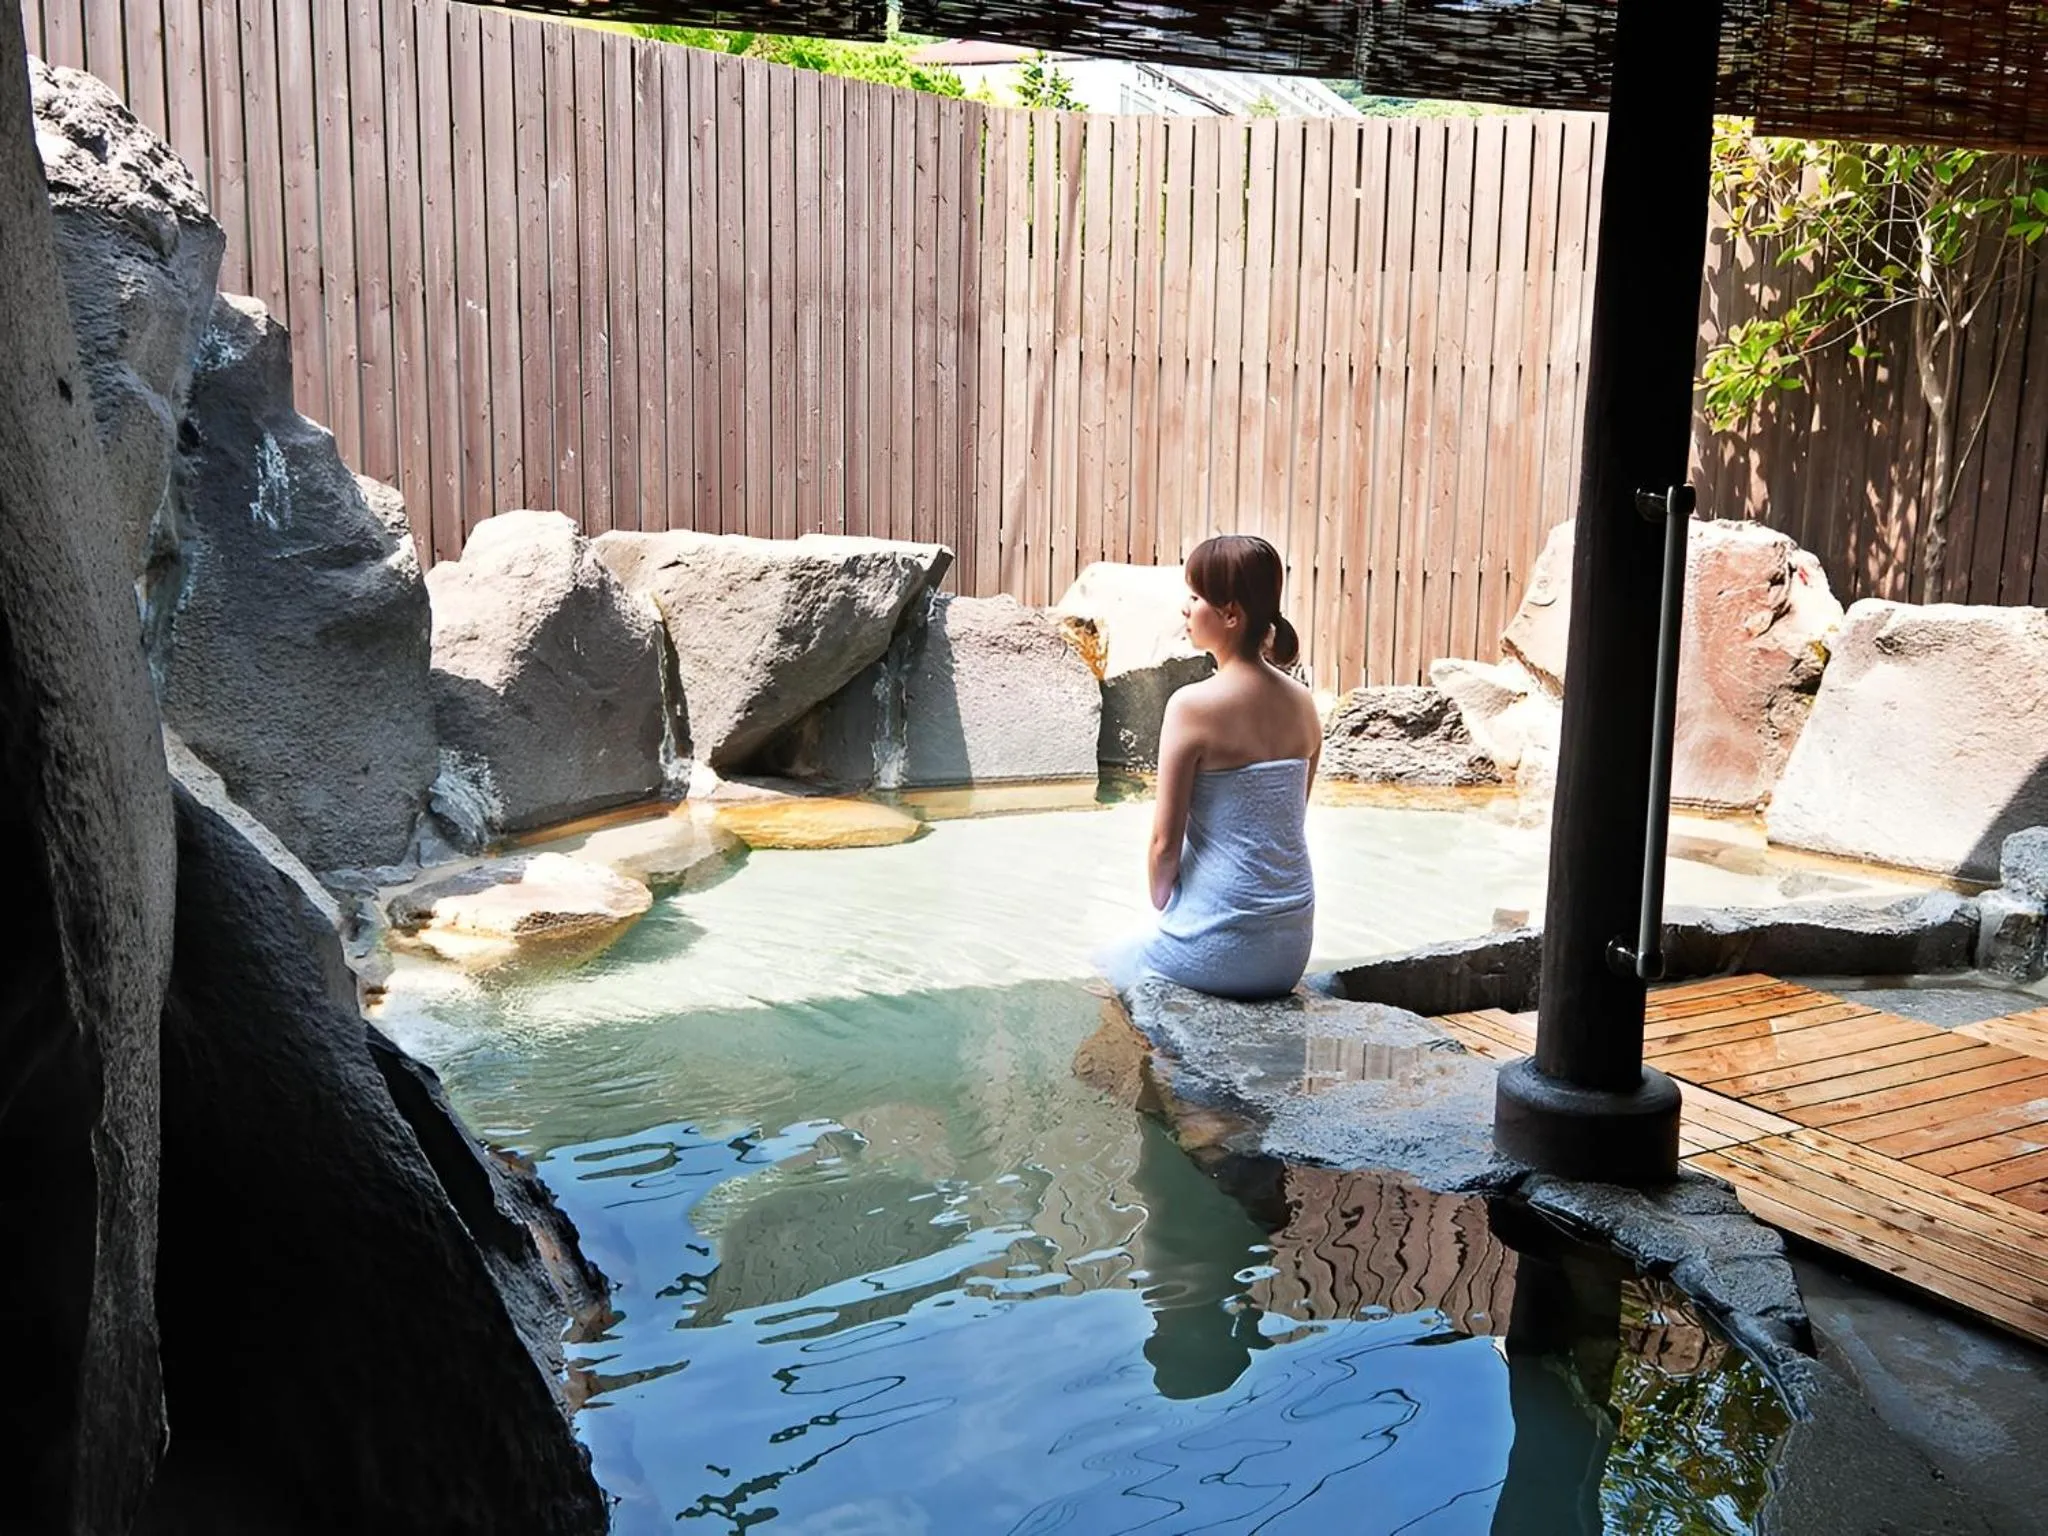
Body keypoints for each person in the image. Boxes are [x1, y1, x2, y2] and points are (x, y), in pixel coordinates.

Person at [1100, 535, 1321, 1001]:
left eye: (1196, 597)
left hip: (1219, 950)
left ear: (1231, 614)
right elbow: (1287, 822)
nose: (1185, 608)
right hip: (1290, 953)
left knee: (1105, 966)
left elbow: (1164, 847)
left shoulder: (1193, 706)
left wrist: (1164, 904)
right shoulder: (1304, 704)